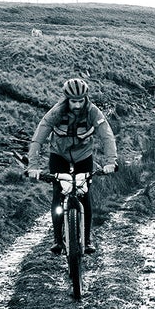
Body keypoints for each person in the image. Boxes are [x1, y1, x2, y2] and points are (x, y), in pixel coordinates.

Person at [22, 77, 117, 256]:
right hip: (59, 156)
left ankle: (87, 240)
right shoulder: (56, 112)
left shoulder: (93, 112)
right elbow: (38, 138)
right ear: (66, 99)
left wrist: (111, 162)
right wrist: (33, 166)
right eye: (74, 101)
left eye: (81, 101)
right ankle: (57, 240)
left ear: (86, 98)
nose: (78, 105)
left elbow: (107, 136)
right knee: (58, 194)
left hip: (84, 156)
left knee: (85, 194)